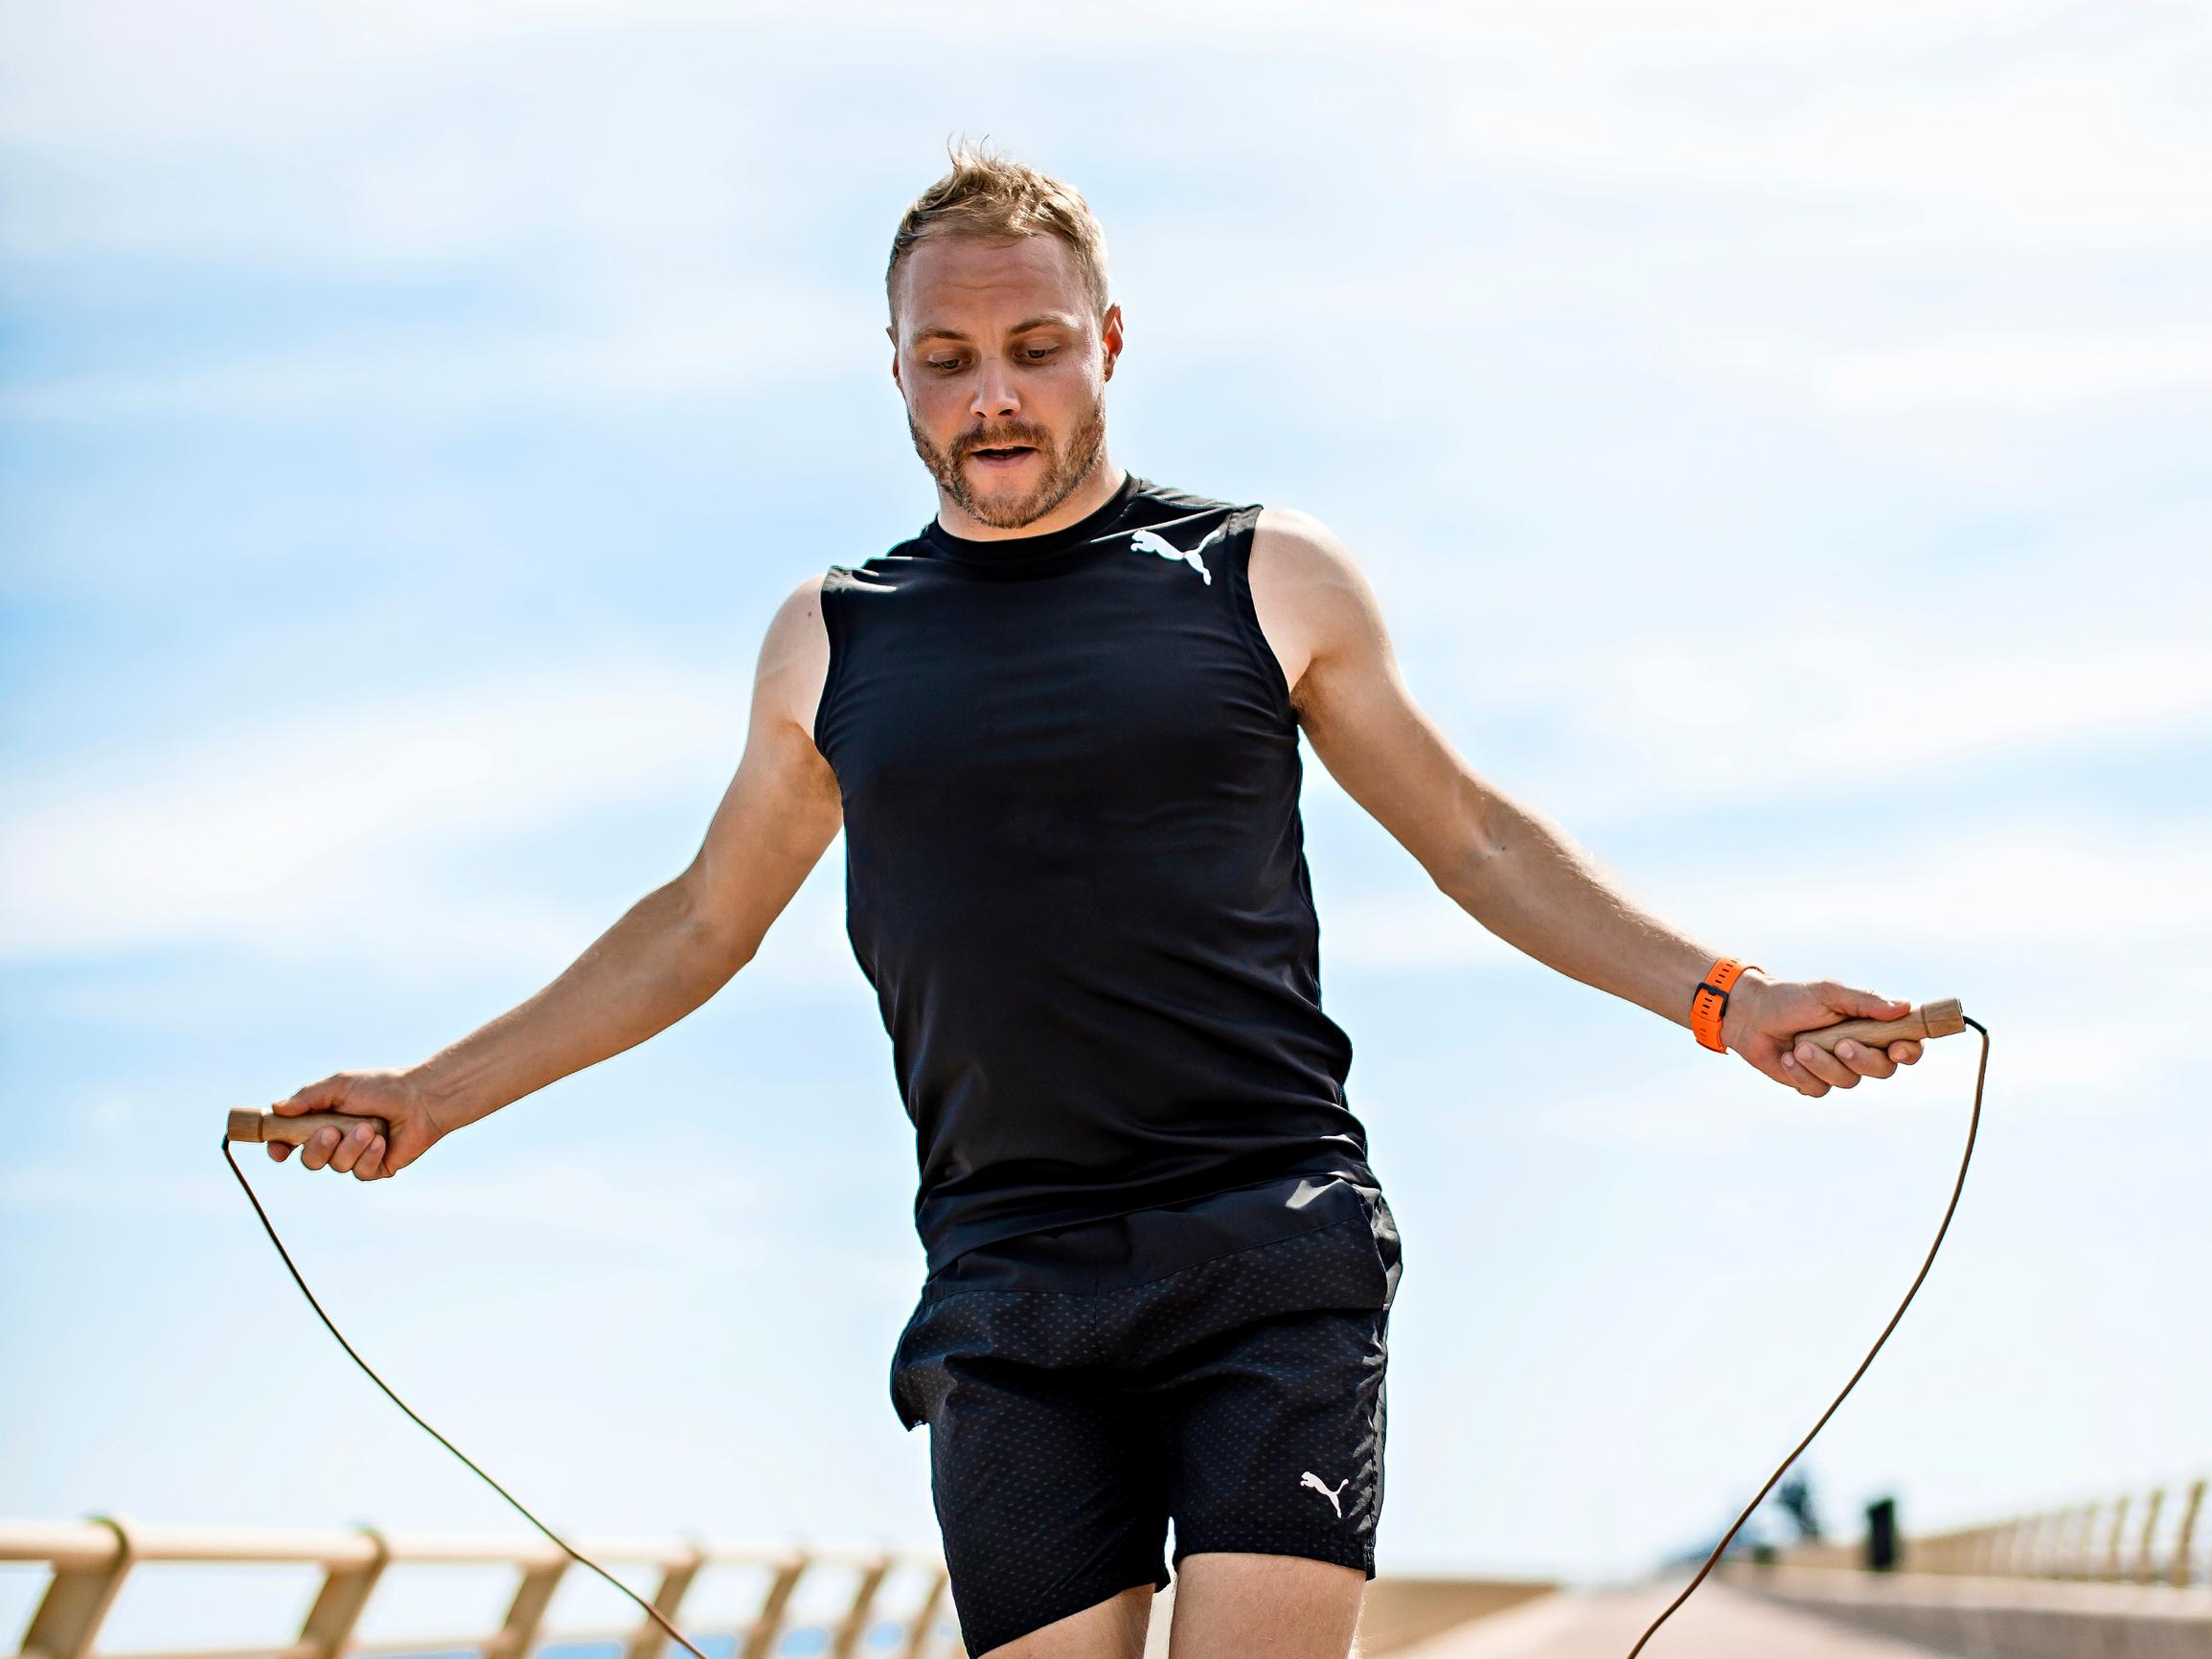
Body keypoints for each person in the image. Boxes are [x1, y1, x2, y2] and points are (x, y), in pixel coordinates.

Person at [265, 142, 1927, 1659]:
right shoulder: (832, 639)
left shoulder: (1262, 574)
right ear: (898, 374)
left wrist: (1729, 996)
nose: (994, 397)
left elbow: (1475, 842)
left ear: (1108, 344)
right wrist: (435, 1094)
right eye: (948, 359)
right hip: (1004, 1283)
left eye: (1035, 349)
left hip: (1266, 1241)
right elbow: (702, 921)